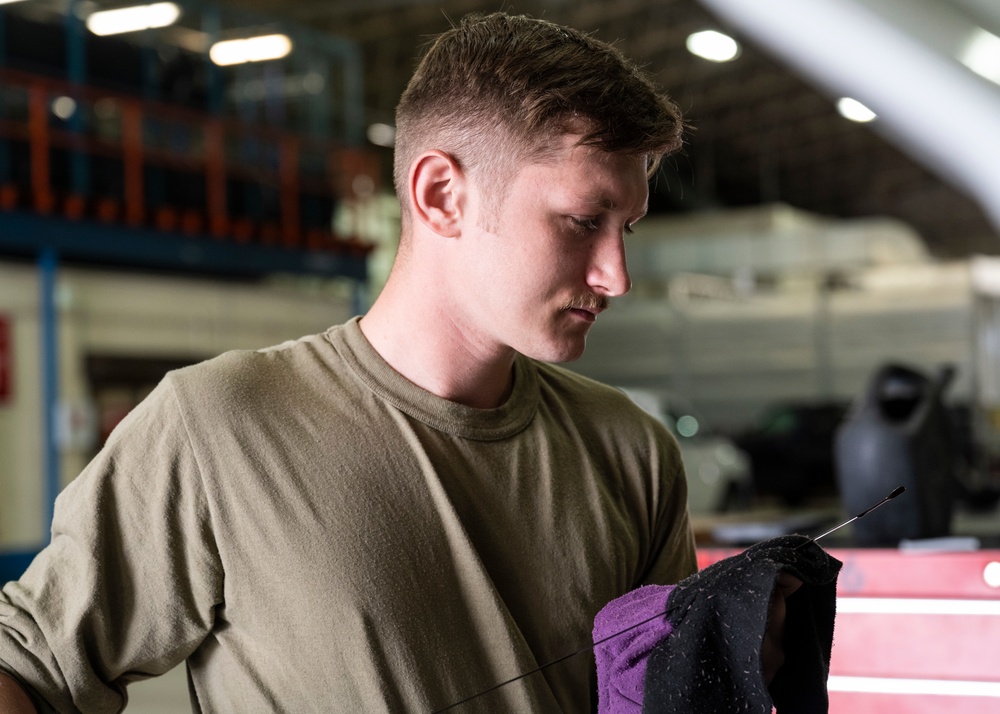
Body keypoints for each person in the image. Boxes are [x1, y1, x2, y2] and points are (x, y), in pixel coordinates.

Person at [0, 12, 788, 712]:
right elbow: (29, 671)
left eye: (628, 228)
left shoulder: (630, 450)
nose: (615, 275)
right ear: (442, 193)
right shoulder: (220, 426)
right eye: (582, 221)